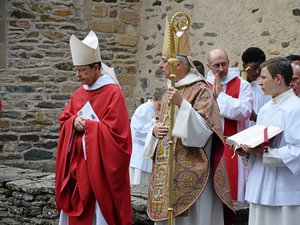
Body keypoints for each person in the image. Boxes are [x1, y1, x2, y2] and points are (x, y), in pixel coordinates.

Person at [144, 18, 235, 225]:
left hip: (193, 172)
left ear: (179, 64)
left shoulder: (200, 89)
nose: (160, 65)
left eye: (164, 60)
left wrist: (182, 105)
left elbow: (205, 132)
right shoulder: (170, 88)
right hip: (168, 170)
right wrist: (155, 130)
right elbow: (162, 123)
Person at [55, 30, 132, 225]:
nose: (78, 75)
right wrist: (72, 123)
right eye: (76, 69)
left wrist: (89, 127)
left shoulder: (114, 94)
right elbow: (64, 120)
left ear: (96, 67)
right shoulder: (79, 94)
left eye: (82, 70)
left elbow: (120, 138)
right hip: (77, 170)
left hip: (100, 173)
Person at [240, 57, 300, 225]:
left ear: (278, 78)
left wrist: (265, 152)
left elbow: (297, 151)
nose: (260, 82)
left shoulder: (296, 108)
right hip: (260, 183)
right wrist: (248, 151)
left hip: (284, 189)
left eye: (264, 77)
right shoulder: (265, 109)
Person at [206, 48, 253, 201]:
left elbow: (244, 112)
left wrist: (220, 96)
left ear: (229, 63)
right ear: (208, 67)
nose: (221, 69)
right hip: (208, 145)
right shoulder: (202, 85)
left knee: (233, 194)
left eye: (224, 64)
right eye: (216, 65)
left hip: (232, 145)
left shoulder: (242, 85)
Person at [129, 87, 166, 185]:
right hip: (140, 157)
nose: (161, 107)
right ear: (154, 99)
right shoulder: (143, 109)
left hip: (150, 157)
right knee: (139, 187)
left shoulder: (158, 110)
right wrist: (153, 122)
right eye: (159, 104)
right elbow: (138, 133)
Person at [241, 47, 271, 127]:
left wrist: (255, 117)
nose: (257, 72)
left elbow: (268, 120)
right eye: (254, 68)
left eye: (260, 68)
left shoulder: (263, 91)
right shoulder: (234, 87)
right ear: (244, 66)